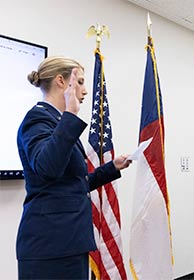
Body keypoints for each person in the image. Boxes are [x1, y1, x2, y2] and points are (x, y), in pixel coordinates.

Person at [16, 56, 131, 279]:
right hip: (49, 247)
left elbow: (73, 183)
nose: (85, 91)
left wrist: (111, 168)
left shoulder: (59, 122)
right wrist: (70, 113)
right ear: (61, 81)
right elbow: (47, 167)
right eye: (79, 83)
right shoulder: (38, 119)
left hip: (69, 242)